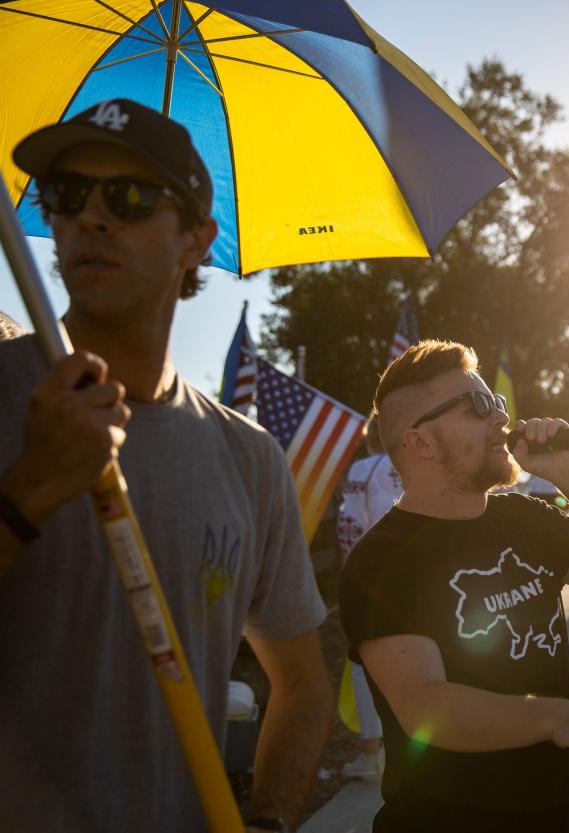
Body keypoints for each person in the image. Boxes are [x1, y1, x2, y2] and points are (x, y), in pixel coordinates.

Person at [0, 99, 332, 832]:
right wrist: (29, 489)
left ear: (197, 240)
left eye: (130, 196)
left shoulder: (249, 459)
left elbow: (304, 685)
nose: (91, 217)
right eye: (67, 194)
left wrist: (270, 820)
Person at [339, 339, 569, 831]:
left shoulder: (524, 518)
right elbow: (427, 707)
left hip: (560, 815)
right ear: (420, 442)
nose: (500, 420)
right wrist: (560, 718)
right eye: (477, 407)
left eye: (497, 404)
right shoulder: (381, 559)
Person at [335, 415, 404, 782]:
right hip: (415, 569)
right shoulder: (416, 462)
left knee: (365, 663)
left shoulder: (364, 468)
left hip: (372, 570)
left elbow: (349, 523)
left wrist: (350, 572)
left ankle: (370, 754)